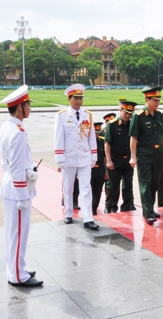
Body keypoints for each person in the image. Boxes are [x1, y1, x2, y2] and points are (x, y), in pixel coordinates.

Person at [0, 85, 43, 287]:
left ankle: (16, 268)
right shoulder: (18, 132)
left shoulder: (6, 127)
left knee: (12, 233)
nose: (30, 109)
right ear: (19, 108)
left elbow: (4, 163)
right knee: (18, 234)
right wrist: (23, 196)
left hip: (9, 185)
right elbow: (16, 168)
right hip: (17, 190)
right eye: (27, 105)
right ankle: (18, 276)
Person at [54, 84, 99, 230]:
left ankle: (88, 218)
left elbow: (91, 138)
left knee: (86, 188)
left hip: (85, 156)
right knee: (68, 187)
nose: (78, 101)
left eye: (80, 98)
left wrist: (94, 156)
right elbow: (58, 138)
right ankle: (68, 213)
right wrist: (60, 158)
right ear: (69, 99)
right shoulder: (62, 116)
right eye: (76, 98)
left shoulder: (88, 115)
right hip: (69, 157)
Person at [129, 87, 163, 224]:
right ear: (147, 99)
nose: (157, 103)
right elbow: (133, 137)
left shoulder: (159, 115)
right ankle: (147, 212)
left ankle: (150, 208)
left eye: (158, 100)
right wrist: (133, 156)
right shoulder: (138, 116)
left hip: (158, 153)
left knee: (155, 182)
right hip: (144, 153)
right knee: (145, 183)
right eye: (154, 100)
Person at [104, 101, 136, 213]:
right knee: (113, 185)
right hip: (114, 159)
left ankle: (127, 206)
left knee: (128, 185)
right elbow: (107, 143)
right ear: (120, 110)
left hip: (127, 160)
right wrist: (108, 160)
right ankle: (110, 206)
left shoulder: (132, 124)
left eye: (130, 114)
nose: (128, 116)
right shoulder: (112, 125)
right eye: (126, 113)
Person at [91, 122, 106, 215]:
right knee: (90, 190)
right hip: (90, 169)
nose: (97, 134)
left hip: (100, 169)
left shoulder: (101, 142)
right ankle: (90, 208)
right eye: (95, 132)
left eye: (98, 132)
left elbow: (104, 157)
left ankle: (95, 208)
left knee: (98, 190)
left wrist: (106, 171)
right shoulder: (88, 143)